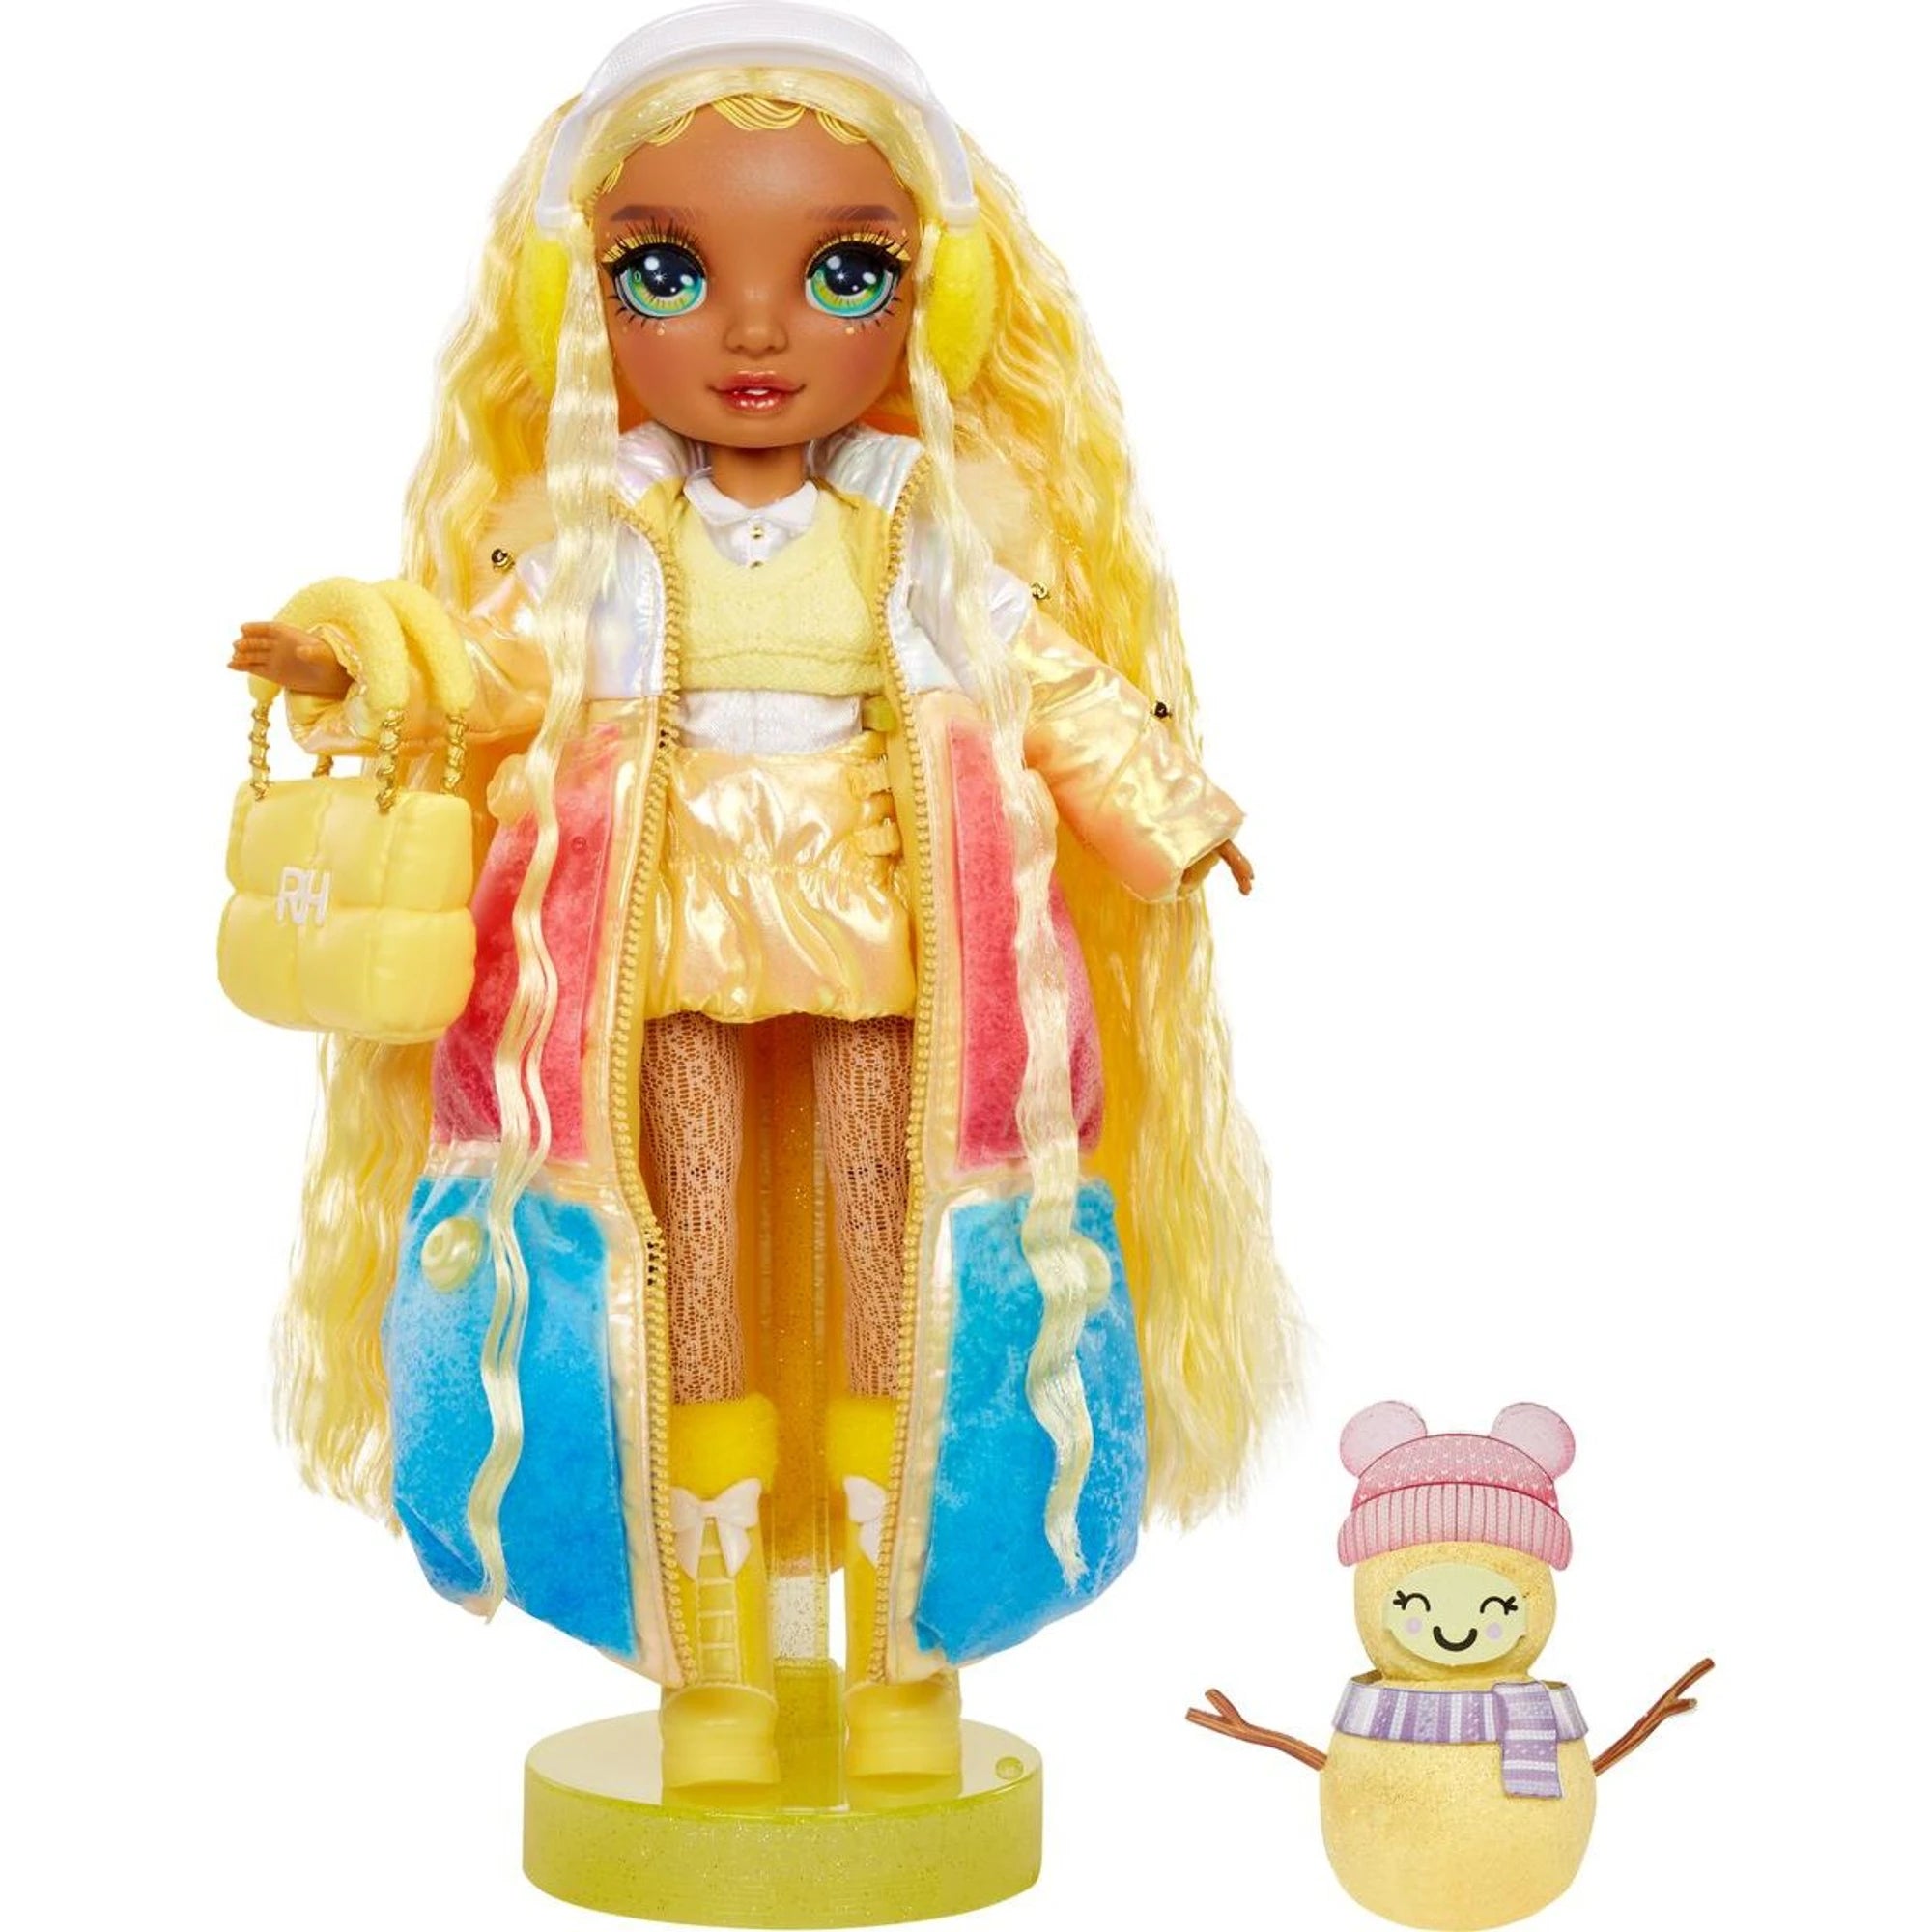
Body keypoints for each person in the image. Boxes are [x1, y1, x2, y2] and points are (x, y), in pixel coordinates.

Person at [228, 3, 1293, 1792]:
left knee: (907, 1251)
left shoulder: (927, 532)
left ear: (933, 300)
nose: (753, 330)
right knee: (679, 1259)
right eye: (667, 273)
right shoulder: (591, 545)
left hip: (891, 944)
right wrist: (361, 665)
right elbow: (485, 678)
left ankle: (904, 1635)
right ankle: (705, 1648)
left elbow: (1052, 684)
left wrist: (1169, 812)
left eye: (841, 274)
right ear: (583, 300)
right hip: (652, 950)